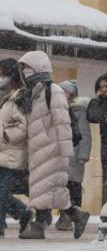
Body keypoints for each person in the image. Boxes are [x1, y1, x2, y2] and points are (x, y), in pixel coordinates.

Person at [17, 51, 89, 239]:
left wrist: (65, 151)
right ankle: (77, 215)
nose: (25, 72)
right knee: (52, 189)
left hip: (52, 150)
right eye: (23, 68)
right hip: (39, 149)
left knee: (42, 187)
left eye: (28, 68)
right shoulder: (33, 93)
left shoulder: (52, 91)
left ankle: (39, 225)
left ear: (39, 68)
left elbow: (62, 121)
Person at [55, 80, 92, 231]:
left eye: (63, 92)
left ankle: (69, 217)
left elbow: (84, 134)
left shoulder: (78, 110)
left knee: (73, 184)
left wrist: (83, 155)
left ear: (70, 94)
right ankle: (66, 217)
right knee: (64, 185)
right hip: (64, 153)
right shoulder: (62, 108)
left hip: (75, 154)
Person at [0, 58, 31, 237]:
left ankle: (0, 225)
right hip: (3, 150)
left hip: (11, 151)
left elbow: (24, 126)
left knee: (2, 191)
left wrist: (7, 137)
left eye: (2, 73)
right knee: (1, 190)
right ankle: (22, 212)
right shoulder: (7, 97)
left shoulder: (19, 97)